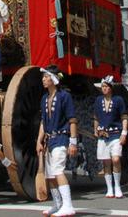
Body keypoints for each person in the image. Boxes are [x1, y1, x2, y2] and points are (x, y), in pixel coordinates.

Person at [36, 65, 77, 217]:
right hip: (48, 140)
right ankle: (58, 204)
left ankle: (68, 205)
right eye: (43, 77)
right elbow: (43, 121)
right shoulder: (44, 98)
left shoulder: (64, 96)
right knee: (50, 175)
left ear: (53, 79)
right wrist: (38, 141)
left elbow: (72, 120)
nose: (43, 80)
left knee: (58, 171)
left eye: (46, 77)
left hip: (61, 137)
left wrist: (72, 142)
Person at [93, 76, 128, 199]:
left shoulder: (118, 100)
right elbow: (96, 117)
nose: (104, 89)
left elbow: (124, 117)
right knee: (106, 162)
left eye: (106, 86)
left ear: (111, 88)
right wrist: (95, 130)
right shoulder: (98, 100)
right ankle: (109, 188)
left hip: (116, 134)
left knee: (116, 159)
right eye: (103, 87)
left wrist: (124, 133)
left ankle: (117, 186)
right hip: (103, 135)